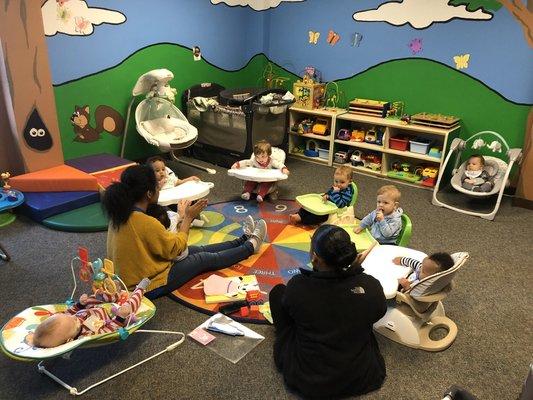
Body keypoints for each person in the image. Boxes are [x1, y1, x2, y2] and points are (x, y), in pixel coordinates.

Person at [103, 165, 267, 299]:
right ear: (148, 193)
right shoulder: (145, 221)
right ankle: (250, 246)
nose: (159, 188)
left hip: (136, 274)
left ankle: (243, 239)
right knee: (202, 258)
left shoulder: (120, 214)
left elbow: (159, 245)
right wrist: (188, 217)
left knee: (199, 249)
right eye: (157, 185)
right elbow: (177, 249)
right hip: (146, 285)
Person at [269, 225, 386, 399]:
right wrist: (353, 274)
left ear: (315, 258)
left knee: (278, 293)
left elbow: (291, 307)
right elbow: (378, 311)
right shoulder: (371, 286)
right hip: (363, 376)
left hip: (307, 380)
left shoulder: (298, 286)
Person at [30, 278, 151, 348]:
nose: (73, 317)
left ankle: (110, 294)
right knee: (129, 307)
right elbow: (109, 330)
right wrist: (120, 318)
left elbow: (69, 311)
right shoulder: (87, 333)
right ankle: (139, 290)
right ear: (69, 340)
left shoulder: (67, 320)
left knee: (92, 298)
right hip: (112, 316)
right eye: (74, 321)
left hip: (95, 307)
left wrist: (80, 304)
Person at [290, 165, 355, 226]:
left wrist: (335, 193)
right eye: (336, 181)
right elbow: (329, 192)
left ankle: (302, 219)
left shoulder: (348, 192)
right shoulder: (336, 187)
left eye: (342, 182)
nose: (338, 184)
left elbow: (341, 205)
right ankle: (298, 215)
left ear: (349, 182)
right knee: (309, 208)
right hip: (327, 206)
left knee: (316, 216)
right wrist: (326, 195)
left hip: (333, 211)